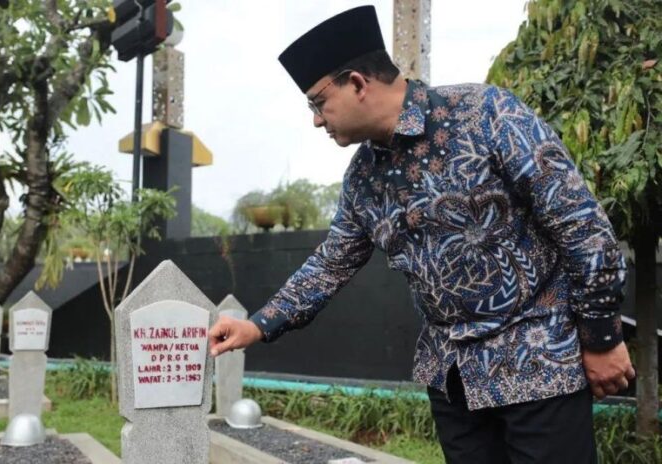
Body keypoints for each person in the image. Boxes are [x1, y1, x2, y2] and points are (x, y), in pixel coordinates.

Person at [208, 5, 635, 463]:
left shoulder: (486, 114)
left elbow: (583, 228)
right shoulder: (363, 178)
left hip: (538, 366)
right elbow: (330, 264)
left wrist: (601, 338)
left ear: (357, 83)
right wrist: (258, 324)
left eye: (318, 102)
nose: (316, 119)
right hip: (453, 383)